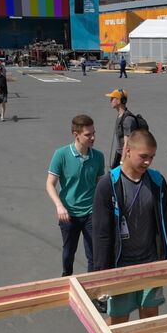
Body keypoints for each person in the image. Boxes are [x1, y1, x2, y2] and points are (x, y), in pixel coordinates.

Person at [88, 130, 167, 333]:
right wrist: (100, 275)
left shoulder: (157, 182)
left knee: (150, 315)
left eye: (152, 157)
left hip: (149, 261)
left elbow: (165, 223)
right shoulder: (108, 185)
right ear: (127, 151)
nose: (148, 162)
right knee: (120, 319)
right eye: (144, 156)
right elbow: (102, 233)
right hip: (121, 264)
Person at [46, 114, 105, 276]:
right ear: (76, 135)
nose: (93, 137)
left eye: (94, 133)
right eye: (88, 135)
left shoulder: (98, 157)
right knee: (68, 253)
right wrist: (59, 206)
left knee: (94, 255)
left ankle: (93, 290)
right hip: (68, 215)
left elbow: (100, 185)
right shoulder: (61, 155)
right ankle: (67, 279)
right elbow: (50, 184)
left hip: (91, 213)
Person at [107, 88, 143, 169]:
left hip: (125, 156)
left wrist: (122, 162)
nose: (110, 100)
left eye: (112, 98)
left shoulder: (128, 120)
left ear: (119, 101)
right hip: (119, 153)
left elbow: (127, 144)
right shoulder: (120, 116)